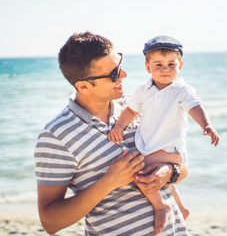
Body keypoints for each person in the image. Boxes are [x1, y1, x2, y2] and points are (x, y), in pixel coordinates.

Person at [34, 31, 189, 236]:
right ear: (83, 86)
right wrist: (109, 182)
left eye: (120, 65)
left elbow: (182, 164)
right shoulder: (57, 135)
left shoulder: (137, 105)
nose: (124, 75)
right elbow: (50, 222)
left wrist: (168, 173)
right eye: (114, 74)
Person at [108, 35, 219, 234]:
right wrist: (119, 127)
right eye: (158, 64)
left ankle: (161, 206)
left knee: (140, 173)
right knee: (155, 177)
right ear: (148, 67)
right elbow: (131, 111)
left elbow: (196, 107)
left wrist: (207, 125)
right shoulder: (143, 89)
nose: (165, 69)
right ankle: (180, 206)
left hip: (170, 148)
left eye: (171, 64)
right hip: (151, 147)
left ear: (180, 65)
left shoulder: (182, 90)